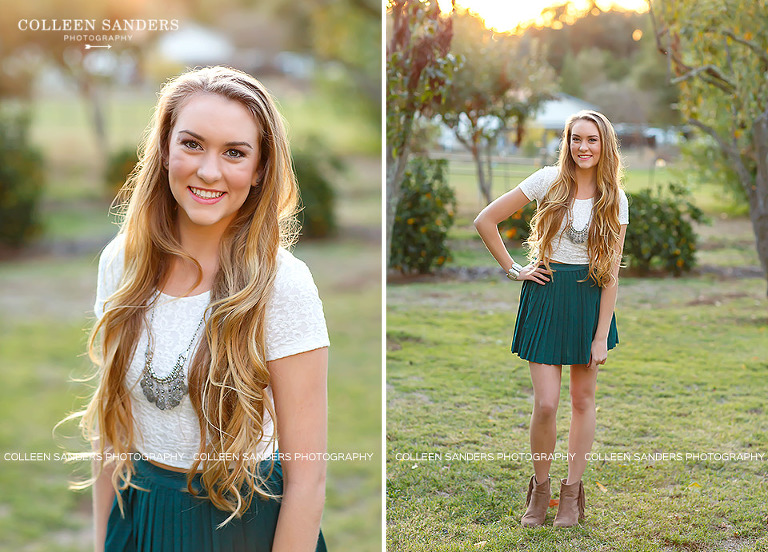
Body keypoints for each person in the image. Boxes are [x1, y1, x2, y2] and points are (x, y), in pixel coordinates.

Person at [77, 66, 329, 551]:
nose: (209, 171)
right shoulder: (122, 262)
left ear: (259, 171)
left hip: (243, 524)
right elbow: (112, 433)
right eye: (192, 144)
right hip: (141, 516)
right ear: (165, 150)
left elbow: (308, 481)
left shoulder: (283, 284)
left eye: (235, 153)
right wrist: (104, 541)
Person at [473, 110, 629, 527]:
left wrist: (600, 337)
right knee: (546, 403)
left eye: (592, 140)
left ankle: (572, 497)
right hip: (544, 296)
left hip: (588, 300)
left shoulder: (614, 198)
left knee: (582, 400)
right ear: (567, 142)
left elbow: (611, 276)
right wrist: (515, 269)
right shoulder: (547, 180)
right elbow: (485, 220)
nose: (583, 147)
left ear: (604, 145)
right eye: (576, 139)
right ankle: (539, 492)